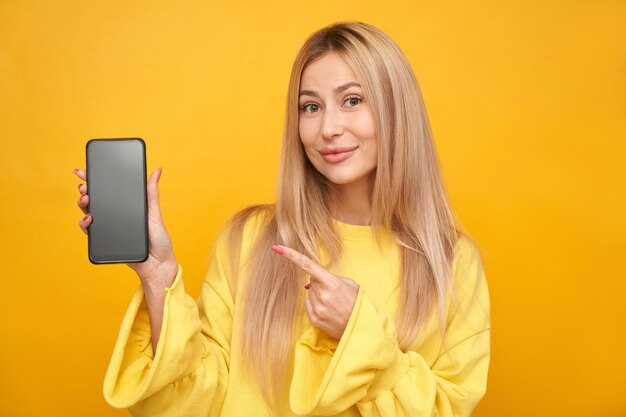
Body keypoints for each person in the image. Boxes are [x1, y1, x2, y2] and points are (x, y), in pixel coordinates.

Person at [74, 21, 490, 417]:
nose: (328, 128)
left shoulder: (451, 261)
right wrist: (159, 278)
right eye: (311, 107)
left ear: (397, 110)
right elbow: (191, 405)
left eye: (352, 100)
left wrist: (358, 331)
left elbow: (447, 408)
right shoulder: (249, 239)